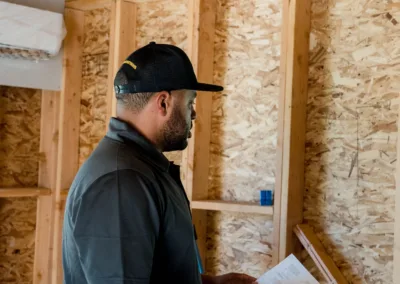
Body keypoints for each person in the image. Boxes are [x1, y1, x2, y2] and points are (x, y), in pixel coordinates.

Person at [62, 42, 257, 284]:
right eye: (190, 103)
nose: (193, 114)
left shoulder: (141, 167)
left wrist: (209, 283)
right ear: (163, 103)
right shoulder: (122, 182)